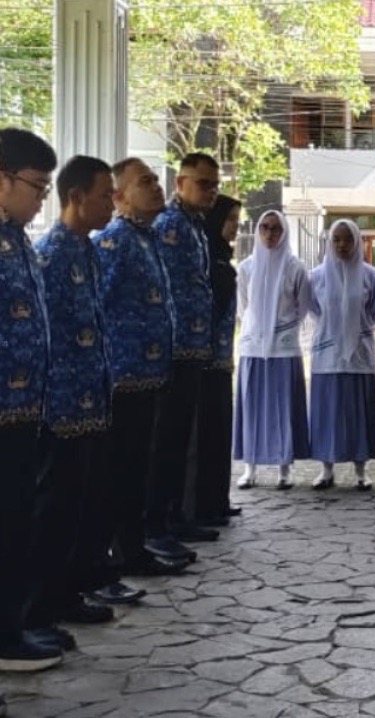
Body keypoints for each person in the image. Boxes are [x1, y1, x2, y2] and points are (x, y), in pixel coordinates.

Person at [27, 156, 117, 644]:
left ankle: (70, 594)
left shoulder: (87, 250)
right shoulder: (53, 254)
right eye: (105, 194)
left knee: (80, 508)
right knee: (53, 511)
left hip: (91, 402)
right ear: (78, 196)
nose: (112, 203)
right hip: (61, 407)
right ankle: (40, 609)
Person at [93, 158, 188, 583]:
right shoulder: (114, 243)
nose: (155, 187)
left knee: (137, 471)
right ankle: (112, 556)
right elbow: (99, 307)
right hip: (123, 378)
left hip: (150, 376)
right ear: (119, 196)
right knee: (118, 473)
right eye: (144, 182)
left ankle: (134, 549)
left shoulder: (146, 239)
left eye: (155, 180)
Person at [0, 128, 63, 673]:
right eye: (36, 185)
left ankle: (11, 630)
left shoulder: (18, 237)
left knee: (17, 525)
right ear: (2, 180)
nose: (43, 196)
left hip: (25, 412)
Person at [147, 152, 220, 560]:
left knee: (180, 440)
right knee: (165, 442)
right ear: (180, 182)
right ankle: (155, 523)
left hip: (195, 348)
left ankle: (175, 516)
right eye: (203, 183)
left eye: (215, 184)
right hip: (171, 351)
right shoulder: (169, 225)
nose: (210, 191)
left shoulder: (194, 225)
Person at [233, 210, 312, 489]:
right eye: (264, 228)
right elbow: (244, 308)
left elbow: (303, 307)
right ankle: (250, 468)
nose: (269, 234)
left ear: (284, 232)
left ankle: (284, 468)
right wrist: (259, 330)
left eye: (276, 229)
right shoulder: (246, 267)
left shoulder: (295, 268)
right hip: (253, 349)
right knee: (251, 407)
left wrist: (281, 330)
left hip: (284, 349)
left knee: (283, 408)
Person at [308, 220, 375, 490]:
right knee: (328, 411)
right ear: (330, 243)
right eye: (336, 240)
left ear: (357, 242)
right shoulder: (317, 276)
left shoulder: (369, 275)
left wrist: (354, 328)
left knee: (359, 412)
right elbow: (313, 309)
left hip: (360, 354)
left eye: (348, 240)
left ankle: (361, 471)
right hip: (327, 353)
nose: (342, 245)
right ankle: (326, 469)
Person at [194, 194, 242, 523]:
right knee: (205, 438)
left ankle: (217, 501)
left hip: (223, 362)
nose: (235, 229)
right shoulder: (208, 260)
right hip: (204, 363)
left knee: (220, 435)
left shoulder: (221, 258)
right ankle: (202, 506)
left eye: (238, 223)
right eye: (230, 221)